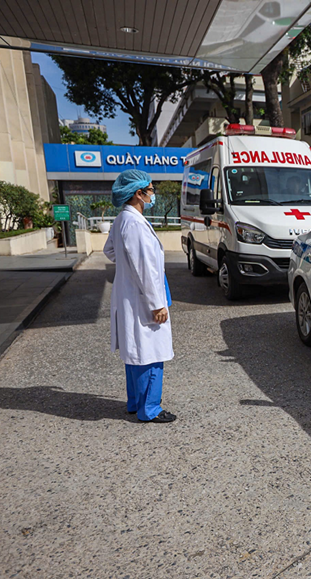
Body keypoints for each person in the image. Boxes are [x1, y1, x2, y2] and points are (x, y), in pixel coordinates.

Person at [103, 169, 176, 423]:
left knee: (135, 353)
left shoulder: (122, 219)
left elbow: (110, 250)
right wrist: (157, 304)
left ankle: (135, 402)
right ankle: (150, 409)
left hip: (132, 295)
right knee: (151, 355)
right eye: (151, 190)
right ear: (139, 193)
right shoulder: (134, 223)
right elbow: (146, 268)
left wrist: (124, 264)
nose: (153, 194)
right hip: (144, 297)